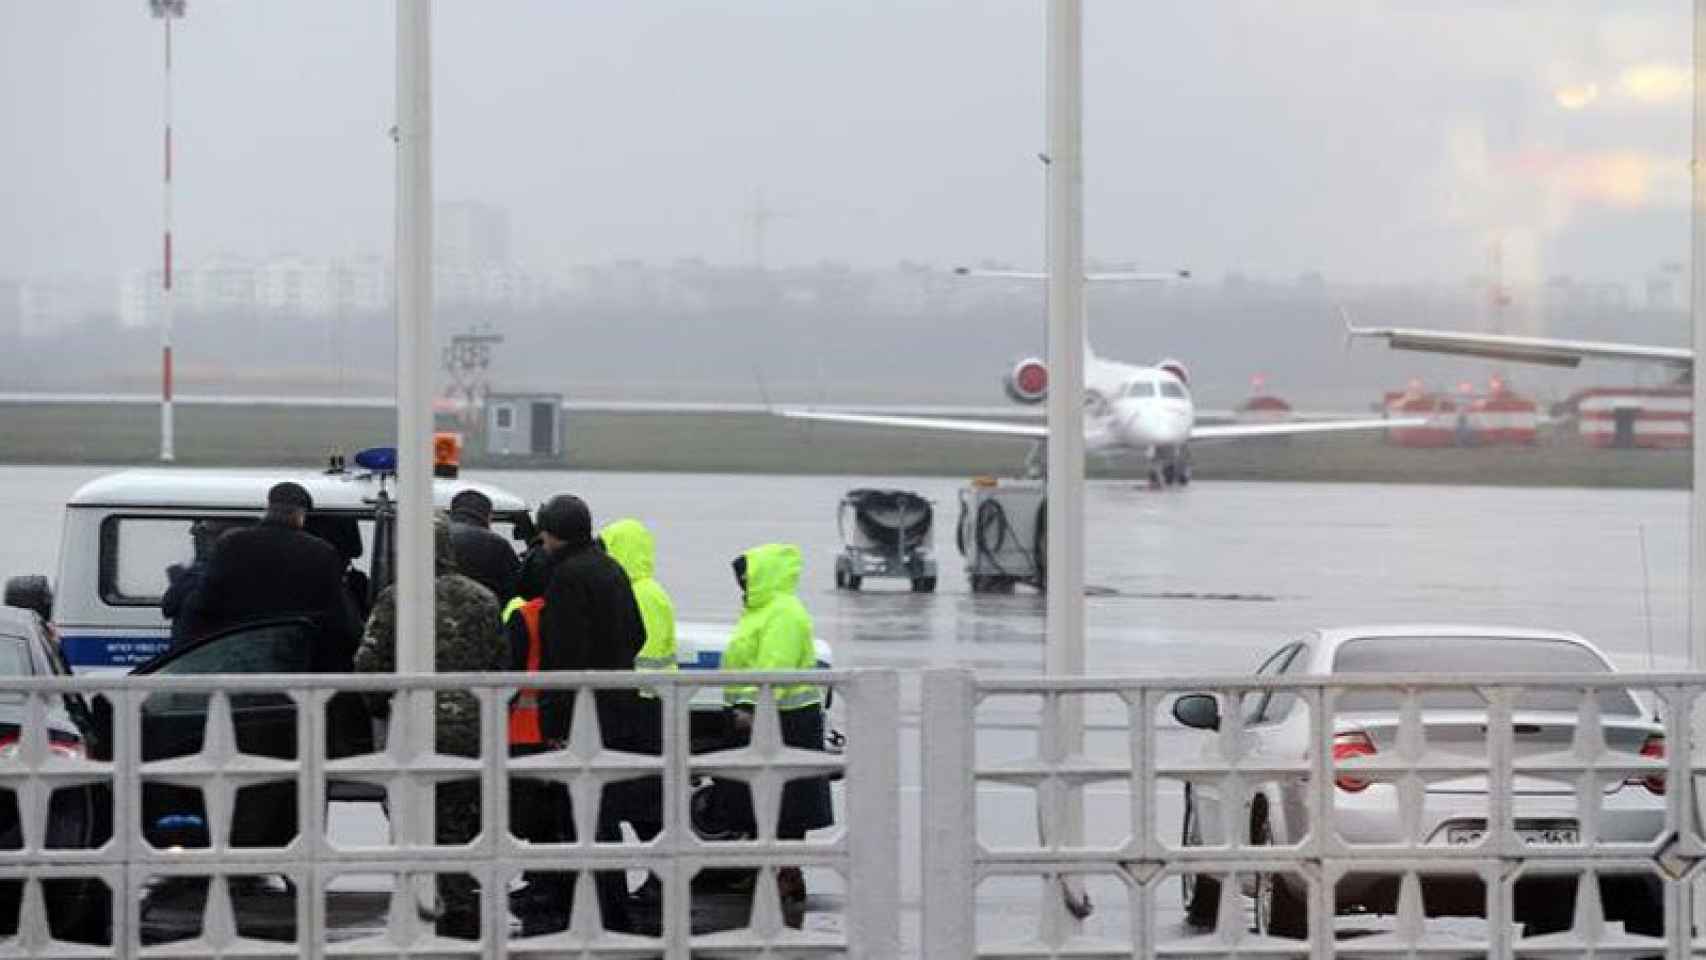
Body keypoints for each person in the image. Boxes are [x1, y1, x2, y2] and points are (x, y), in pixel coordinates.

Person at [356, 512, 504, 940]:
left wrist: (378, 708)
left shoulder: (396, 598)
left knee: (413, 826)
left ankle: (421, 914)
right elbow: (501, 665)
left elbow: (367, 665)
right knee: (461, 825)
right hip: (472, 733)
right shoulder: (484, 599)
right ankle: (463, 913)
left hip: (415, 732)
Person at [524, 494, 646, 933]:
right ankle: (612, 906)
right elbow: (638, 632)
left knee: (581, 814)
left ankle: (595, 910)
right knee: (604, 811)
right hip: (618, 704)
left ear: (551, 532)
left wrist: (555, 723)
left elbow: (563, 657)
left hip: (582, 713)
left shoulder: (566, 578)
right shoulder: (611, 568)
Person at [719, 543, 833, 912]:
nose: (741, 585)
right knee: (764, 800)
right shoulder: (762, 611)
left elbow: (774, 665)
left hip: (785, 719)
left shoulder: (782, 613)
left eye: (745, 578)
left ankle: (785, 874)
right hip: (767, 716)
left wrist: (749, 703)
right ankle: (768, 868)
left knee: (786, 805)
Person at [186, 481, 361, 670]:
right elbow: (338, 619)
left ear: (269, 507)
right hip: (292, 661)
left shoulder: (231, 544)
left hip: (237, 656)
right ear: (301, 514)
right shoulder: (321, 553)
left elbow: (202, 603)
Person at [597, 518, 676, 901]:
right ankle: (661, 876)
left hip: (639, 706)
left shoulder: (637, 594)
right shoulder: (652, 591)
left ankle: (662, 878)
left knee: (641, 802)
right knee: (643, 800)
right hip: (652, 704)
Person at [161, 518, 241, 649]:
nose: (197, 541)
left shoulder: (200, 574)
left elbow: (169, 606)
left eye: (204, 534)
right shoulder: (197, 572)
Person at [448, 489, 521, 601]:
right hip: (481, 612)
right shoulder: (497, 544)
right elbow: (515, 588)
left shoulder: (433, 537)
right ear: (488, 516)